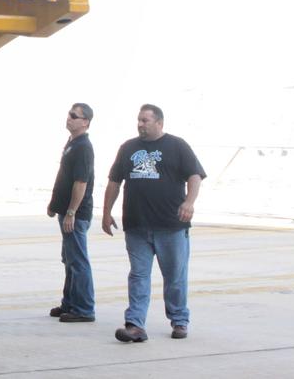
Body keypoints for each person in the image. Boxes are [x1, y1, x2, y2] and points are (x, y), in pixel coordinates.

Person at [102, 104, 205, 342]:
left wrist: (189, 203)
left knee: (175, 276)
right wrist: (106, 213)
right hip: (137, 225)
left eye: (145, 120)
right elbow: (114, 182)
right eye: (138, 120)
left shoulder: (177, 146)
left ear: (159, 122)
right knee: (138, 275)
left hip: (171, 225)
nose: (140, 124)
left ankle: (179, 320)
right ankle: (135, 325)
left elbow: (195, 175)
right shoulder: (128, 147)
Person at [46, 103, 95, 322]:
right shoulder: (72, 143)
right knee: (69, 259)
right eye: (69, 114)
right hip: (65, 211)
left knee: (78, 261)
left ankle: (84, 309)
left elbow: (81, 182)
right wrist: (54, 204)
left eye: (75, 116)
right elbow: (63, 176)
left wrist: (71, 212)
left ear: (85, 122)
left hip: (75, 214)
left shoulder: (83, 146)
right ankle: (69, 303)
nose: (69, 118)